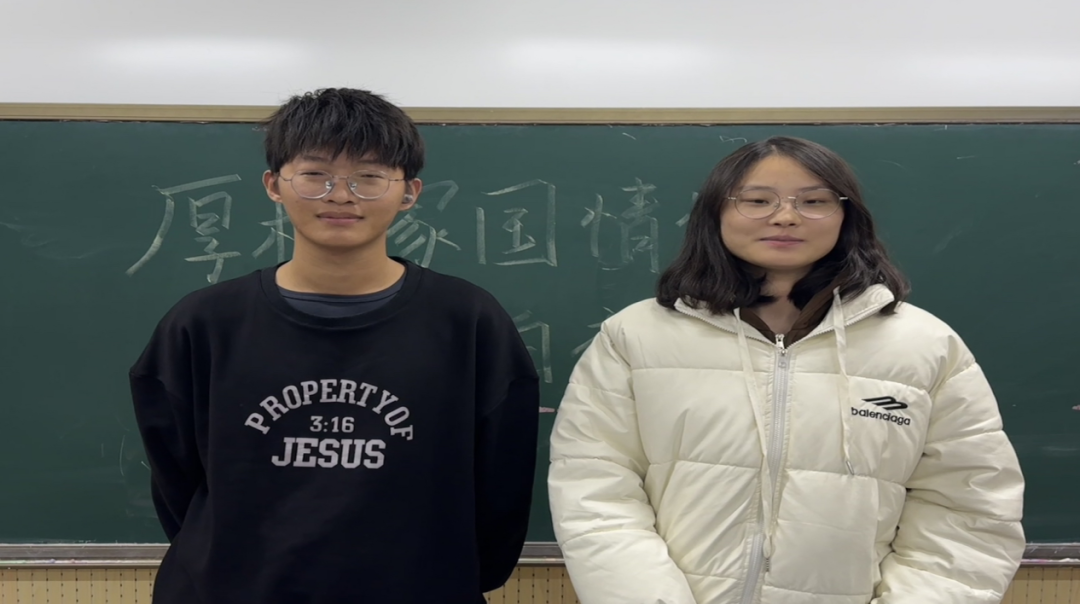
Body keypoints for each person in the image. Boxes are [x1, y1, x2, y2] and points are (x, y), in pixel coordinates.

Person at [548, 136, 1025, 603]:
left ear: (847, 217)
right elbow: (595, 491)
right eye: (758, 200)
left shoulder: (924, 345)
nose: (786, 216)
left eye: (814, 201)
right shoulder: (635, 337)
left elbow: (969, 510)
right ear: (715, 213)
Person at [130, 88, 540, 604]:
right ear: (274, 185)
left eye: (368, 176)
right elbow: (176, 479)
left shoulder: (469, 321)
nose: (341, 195)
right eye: (315, 174)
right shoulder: (204, 323)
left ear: (409, 192)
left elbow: (502, 479)